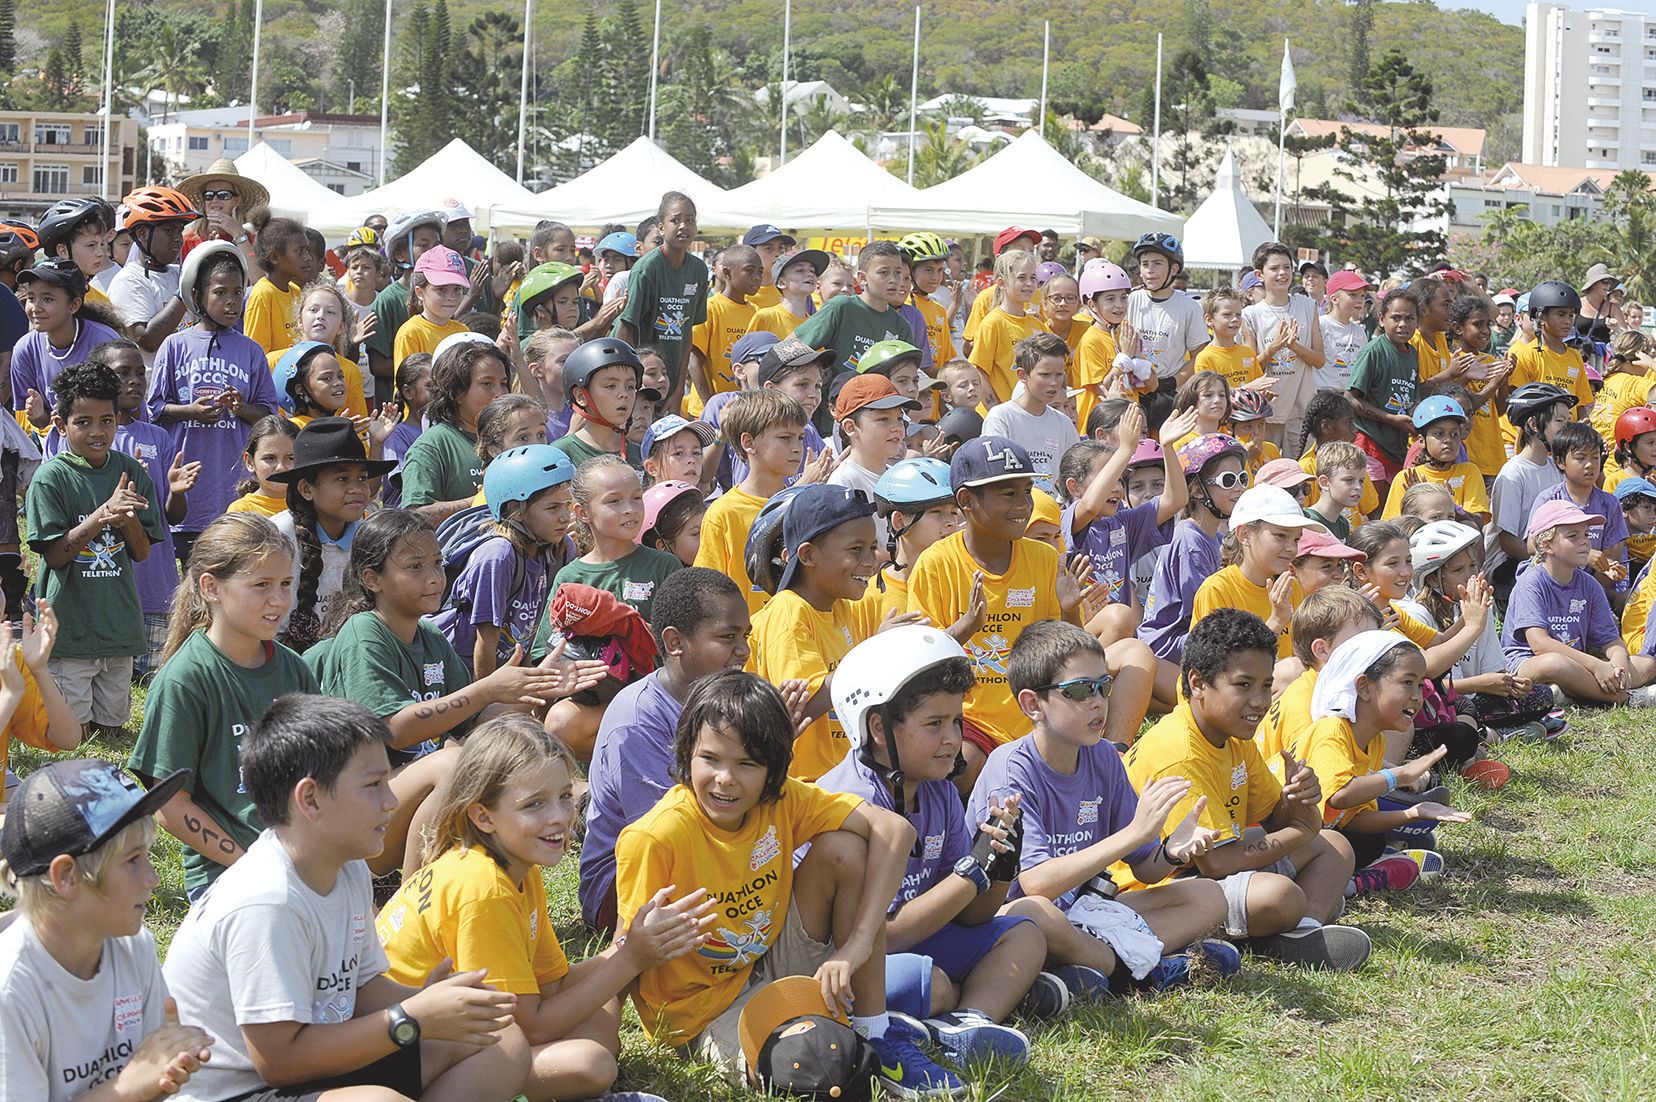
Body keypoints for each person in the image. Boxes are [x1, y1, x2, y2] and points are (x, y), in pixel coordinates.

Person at [161, 694, 531, 1102]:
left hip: (315, 1067)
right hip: (240, 1089)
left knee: (502, 1042)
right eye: (373, 786)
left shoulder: (347, 864)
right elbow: (277, 1061)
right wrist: (410, 1018)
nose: (391, 801)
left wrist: (428, 1001)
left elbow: (362, 987)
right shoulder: (267, 901)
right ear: (310, 799)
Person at [613, 669, 965, 1097]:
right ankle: (850, 1033)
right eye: (711, 759)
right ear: (686, 753)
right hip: (702, 1011)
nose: (726, 778)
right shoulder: (654, 838)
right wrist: (609, 1046)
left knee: (845, 848)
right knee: (812, 1067)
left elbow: (895, 831)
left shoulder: (781, 799)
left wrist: (857, 944)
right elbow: (624, 947)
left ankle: (876, 1031)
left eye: (747, 764)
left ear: (774, 771)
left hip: (770, 960)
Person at [375, 715, 704, 1102]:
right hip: (405, 1055)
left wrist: (629, 944)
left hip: (462, 1035)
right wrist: (631, 958)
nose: (560, 817)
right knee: (590, 1063)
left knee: (600, 1024)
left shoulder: (518, 868)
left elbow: (553, 985)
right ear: (483, 816)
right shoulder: (483, 887)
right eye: (534, 804)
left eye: (565, 796)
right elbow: (531, 1028)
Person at [821, 627, 1060, 1064]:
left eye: (956, 721)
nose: (953, 738)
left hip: (922, 945)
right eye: (934, 724)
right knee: (929, 982)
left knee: (1025, 934)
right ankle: (965, 1002)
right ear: (878, 727)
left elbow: (969, 916)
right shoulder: (849, 807)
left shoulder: (940, 790)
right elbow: (881, 939)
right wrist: (971, 871)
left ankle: (966, 1023)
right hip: (857, 964)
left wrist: (998, 865)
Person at [968, 621, 1237, 997]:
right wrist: (1132, 834)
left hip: (1085, 914)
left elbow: (1144, 864)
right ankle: (1138, 973)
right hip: (1015, 921)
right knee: (1034, 914)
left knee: (1207, 896)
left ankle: (1085, 970)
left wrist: (1171, 852)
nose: (1098, 702)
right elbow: (1036, 885)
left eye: (1103, 686)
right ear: (1033, 704)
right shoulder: (1011, 769)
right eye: (1079, 690)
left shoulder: (1104, 759)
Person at [1123, 609, 1371, 969]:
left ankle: (1301, 931)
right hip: (1157, 891)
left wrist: (1300, 799)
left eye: (1266, 685)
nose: (1259, 700)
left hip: (1211, 868)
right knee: (1279, 895)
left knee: (1334, 846)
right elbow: (1216, 863)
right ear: (1197, 683)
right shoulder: (1180, 753)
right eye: (1243, 685)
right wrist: (1303, 828)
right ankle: (1279, 921)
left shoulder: (1232, 733)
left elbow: (1272, 818)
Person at [126, 514, 318, 901]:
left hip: (306, 861)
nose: (279, 600)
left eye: (285, 584)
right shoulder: (186, 679)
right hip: (228, 876)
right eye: (261, 585)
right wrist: (253, 866)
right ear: (211, 587)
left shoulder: (294, 668)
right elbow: (170, 805)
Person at [0, 758, 214, 1102]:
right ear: (66, 877)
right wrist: (126, 1089)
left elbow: (150, 1081)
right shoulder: (11, 989)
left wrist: (164, 1072)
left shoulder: (133, 947)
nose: (152, 878)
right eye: (133, 860)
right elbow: (134, 1083)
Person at [908, 437, 1087, 788]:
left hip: (1037, 715)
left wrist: (1069, 613)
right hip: (968, 720)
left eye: (1027, 490)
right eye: (1009, 494)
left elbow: (1067, 656)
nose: (1024, 505)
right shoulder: (936, 564)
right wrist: (966, 627)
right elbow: (920, 665)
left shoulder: (1044, 558)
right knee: (964, 765)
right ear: (966, 501)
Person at [26, 358, 164, 737]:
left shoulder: (131, 472)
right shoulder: (51, 478)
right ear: (60, 425)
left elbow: (142, 552)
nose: (97, 432)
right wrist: (102, 515)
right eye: (83, 422)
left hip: (117, 628)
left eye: (107, 420)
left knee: (112, 729)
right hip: (70, 631)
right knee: (75, 734)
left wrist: (128, 520)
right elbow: (54, 555)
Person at [1285, 631, 1471, 892]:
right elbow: (1339, 796)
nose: (1418, 696)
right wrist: (1399, 776)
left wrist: (1411, 814)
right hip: (1276, 840)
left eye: (1420, 685)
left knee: (1369, 841)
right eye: (1408, 682)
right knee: (1351, 845)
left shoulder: (1373, 741)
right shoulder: (1331, 730)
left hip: (1314, 835)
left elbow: (1354, 818)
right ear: (1364, 686)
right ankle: (1351, 885)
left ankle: (1355, 878)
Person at [746, 484, 898, 780]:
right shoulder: (789, 611)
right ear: (808, 555)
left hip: (844, 776)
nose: (870, 560)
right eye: (856, 549)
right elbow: (802, 707)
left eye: (871, 547)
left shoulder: (840, 607)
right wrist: (875, 654)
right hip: (805, 782)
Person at [148, 241, 279, 565]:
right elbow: (154, 410)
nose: (231, 301)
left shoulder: (250, 351)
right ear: (197, 296)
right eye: (221, 292)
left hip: (233, 490)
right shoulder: (174, 345)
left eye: (237, 292)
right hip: (189, 489)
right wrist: (190, 411)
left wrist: (241, 407)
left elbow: (268, 414)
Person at [432, 444, 575, 679]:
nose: (565, 517)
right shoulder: (497, 556)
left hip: (501, 669)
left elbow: (529, 634)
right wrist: (487, 704)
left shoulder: (558, 550)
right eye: (553, 507)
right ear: (516, 511)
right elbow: (484, 643)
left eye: (567, 505)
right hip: (460, 674)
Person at [266, 418, 392, 653]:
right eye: (342, 479)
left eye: (362, 478)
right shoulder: (278, 537)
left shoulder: (368, 536)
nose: (356, 488)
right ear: (306, 489)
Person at [1503, 500, 1648, 705]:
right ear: (1546, 545)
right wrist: (1597, 666)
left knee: (1647, 663)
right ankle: (1627, 697)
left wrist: (1618, 664)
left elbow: (1610, 640)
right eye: (1573, 536)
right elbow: (1540, 645)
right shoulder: (1531, 581)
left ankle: (1570, 691)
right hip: (1529, 663)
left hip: (1578, 664)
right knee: (1555, 664)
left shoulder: (1589, 584)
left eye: (1586, 535)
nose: (1585, 542)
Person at [1138, 433, 1249, 676]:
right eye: (1228, 480)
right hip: (1168, 647)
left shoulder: (1216, 539)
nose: (1239, 487)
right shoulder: (1190, 542)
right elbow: (1205, 619)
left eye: (1243, 478)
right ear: (1198, 490)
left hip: (1188, 637)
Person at [693, 390, 811, 614]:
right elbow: (708, 590)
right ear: (748, 442)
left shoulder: (802, 505)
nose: (797, 447)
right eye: (785, 437)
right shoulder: (724, 513)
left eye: (800, 437)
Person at [1190, 484, 1326, 661]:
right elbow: (1219, 670)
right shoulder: (1217, 589)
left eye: (1296, 539)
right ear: (1244, 534)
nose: (1292, 548)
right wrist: (1276, 622)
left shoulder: (1290, 587)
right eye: (1280, 536)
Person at [557, 454, 682, 622]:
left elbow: (681, 636)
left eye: (637, 497)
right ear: (583, 512)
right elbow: (545, 645)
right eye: (614, 501)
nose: (630, 509)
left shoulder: (663, 566)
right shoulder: (569, 577)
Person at [614, 192, 708, 413]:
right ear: (662, 227)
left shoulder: (699, 270)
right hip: (641, 375)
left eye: (690, 220)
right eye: (675, 220)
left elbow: (686, 334)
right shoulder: (647, 268)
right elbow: (626, 328)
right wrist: (627, 382)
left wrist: (677, 391)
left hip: (670, 378)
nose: (683, 226)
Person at [399, 339, 511, 522]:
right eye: (487, 384)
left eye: (504, 383)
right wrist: (479, 501)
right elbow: (415, 516)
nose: (500, 393)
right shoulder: (432, 446)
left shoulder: (513, 438)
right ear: (457, 391)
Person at [10, 258, 124, 431]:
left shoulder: (106, 343)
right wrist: (39, 416)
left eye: (47, 299)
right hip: (59, 447)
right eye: (31, 298)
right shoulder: (25, 349)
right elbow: (41, 422)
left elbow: (123, 410)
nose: (36, 307)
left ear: (74, 305)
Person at [1485, 383, 1571, 590]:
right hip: (1511, 566)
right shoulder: (1514, 474)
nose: (1566, 429)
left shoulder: (1555, 468)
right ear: (1533, 424)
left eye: (1568, 421)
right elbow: (1508, 540)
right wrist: (1548, 564)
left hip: (1546, 556)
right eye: (1559, 421)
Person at [793, 240, 917, 380]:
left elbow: (908, 376)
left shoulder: (901, 325)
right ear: (862, 278)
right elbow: (789, 348)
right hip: (838, 399)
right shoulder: (841, 307)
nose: (893, 280)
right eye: (884, 272)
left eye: (898, 272)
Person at [1244, 243, 1324, 456]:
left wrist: (1294, 346)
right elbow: (1251, 370)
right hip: (1265, 410)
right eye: (1275, 268)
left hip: (1301, 409)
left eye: (1287, 267)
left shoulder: (1307, 306)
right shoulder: (1251, 315)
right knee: (1267, 471)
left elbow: (1319, 360)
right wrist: (1273, 348)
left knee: (1299, 474)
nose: (1282, 273)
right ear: (1259, 274)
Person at [1536, 420, 1630, 598]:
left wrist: (1588, 593)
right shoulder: (1548, 500)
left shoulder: (1610, 504)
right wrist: (1582, 555)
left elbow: (1610, 559)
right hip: (1553, 589)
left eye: (1595, 457)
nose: (1590, 464)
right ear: (1560, 461)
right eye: (1580, 458)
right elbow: (1533, 546)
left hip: (1595, 591)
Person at [107, 186, 198, 367]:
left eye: (180, 230)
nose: (178, 238)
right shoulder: (129, 281)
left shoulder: (176, 273)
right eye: (169, 230)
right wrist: (184, 289)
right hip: (147, 390)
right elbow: (147, 339)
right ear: (142, 234)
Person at [982, 332, 1082, 495]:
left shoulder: (1063, 423)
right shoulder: (1001, 417)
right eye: (1045, 375)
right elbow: (995, 474)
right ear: (1022, 375)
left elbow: (1076, 471)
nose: (1054, 382)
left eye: (1059, 375)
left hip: (1054, 513)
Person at [364, 209, 445, 402]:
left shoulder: (443, 294)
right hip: (401, 407)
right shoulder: (388, 300)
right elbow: (378, 365)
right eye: (424, 246)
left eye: (437, 245)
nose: (433, 252)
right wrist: (432, 368)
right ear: (401, 254)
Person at [1345, 287, 1422, 488]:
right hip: (1369, 443)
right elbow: (1350, 398)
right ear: (1382, 319)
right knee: (1375, 511)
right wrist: (1392, 419)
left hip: (1396, 446)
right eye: (1396, 318)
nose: (1403, 324)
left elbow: (1412, 395)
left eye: (1409, 318)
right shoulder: (1374, 351)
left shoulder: (1412, 353)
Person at [1382, 397, 1491, 525]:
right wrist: (1416, 501)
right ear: (1422, 441)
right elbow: (1391, 525)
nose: (1448, 440)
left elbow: (1477, 522)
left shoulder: (1469, 472)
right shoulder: (1406, 478)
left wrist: (1451, 506)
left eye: (1454, 434)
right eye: (1439, 434)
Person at [827, 375, 920, 520]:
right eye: (883, 419)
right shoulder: (844, 482)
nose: (897, 428)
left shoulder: (896, 476)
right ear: (851, 427)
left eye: (899, 419)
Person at [685, 245, 762, 417]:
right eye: (749, 271)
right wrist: (710, 407)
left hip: (742, 408)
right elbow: (694, 362)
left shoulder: (757, 312)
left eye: (760, 271)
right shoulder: (710, 308)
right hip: (709, 408)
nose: (757, 277)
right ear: (727, 273)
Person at [1126, 233, 1206, 396]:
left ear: (1174, 268)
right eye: (1144, 264)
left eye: (1157, 264)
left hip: (1168, 391)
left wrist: (1171, 382)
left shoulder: (1190, 307)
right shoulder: (1130, 300)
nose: (1150, 270)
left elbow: (1199, 356)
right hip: (1133, 390)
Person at [967, 250, 1045, 405]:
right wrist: (996, 411)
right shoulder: (993, 323)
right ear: (1002, 283)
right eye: (1022, 278)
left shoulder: (1038, 325)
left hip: (1026, 414)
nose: (1029, 284)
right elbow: (978, 371)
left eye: (1033, 278)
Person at [551, 337, 643, 468]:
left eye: (630, 386)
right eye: (610, 386)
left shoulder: (641, 454)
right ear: (581, 396)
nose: (624, 395)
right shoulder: (562, 454)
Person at [1511, 281, 1593, 414]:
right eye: (1561, 314)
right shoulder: (1526, 355)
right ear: (1540, 316)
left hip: (1566, 432)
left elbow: (1581, 402)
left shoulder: (1575, 356)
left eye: (1571, 315)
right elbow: (1518, 403)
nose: (1567, 321)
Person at [34, 197, 116, 312]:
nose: (100, 253)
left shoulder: (101, 300)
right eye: (91, 245)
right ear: (63, 251)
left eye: (101, 244)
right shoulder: (39, 296)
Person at [241, 218, 308, 357]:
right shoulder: (263, 294)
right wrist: (297, 354)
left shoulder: (295, 290)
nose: (307, 257)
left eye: (306, 250)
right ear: (274, 258)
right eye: (299, 251)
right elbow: (256, 358)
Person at [178, 157, 265, 258]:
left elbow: (257, 274)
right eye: (209, 195)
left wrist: (238, 235)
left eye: (223, 195)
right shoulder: (188, 240)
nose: (215, 201)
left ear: (236, 201)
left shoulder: (251, 239)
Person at [228, 416, 297, 517]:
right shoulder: (241, 511)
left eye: (290, 458)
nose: (280, 467)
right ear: (250, 462)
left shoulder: (314, 505)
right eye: (270, 458)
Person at [1193, 287, 1261, 391]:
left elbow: (1259, 385)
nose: (1235, 319)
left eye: (1238, 315)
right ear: (1209, 320)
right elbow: (1210, 394)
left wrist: (1265, 393)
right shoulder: (1205, 358)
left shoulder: (1248, 353)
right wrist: (1248, 388)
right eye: (1227, 315)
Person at [1317, 270, 1372, 395]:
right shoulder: (1321, 324)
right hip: (1323, 393)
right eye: (1353, 295)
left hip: (1348, 395)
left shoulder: (1359, 331)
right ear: (1335, 299)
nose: (1360, 300)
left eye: (1363, 296)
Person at [1305, 440, 1368, 541]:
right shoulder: (1309, 522)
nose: (1358, 487)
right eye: (1349, 480)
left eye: (1361, 481)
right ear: (1325, 482)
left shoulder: (1343, 523)